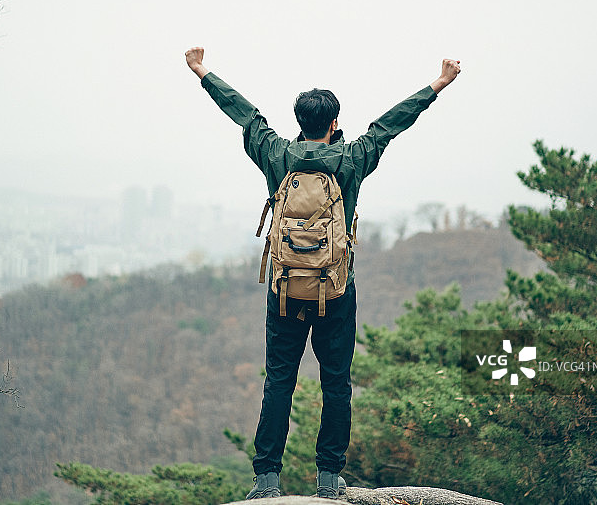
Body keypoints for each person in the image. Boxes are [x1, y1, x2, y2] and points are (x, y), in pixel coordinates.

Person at [184, 47, 461, 500]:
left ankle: (267, 478)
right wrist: (439, 84)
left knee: (279, 381)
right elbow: (390, 124)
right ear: (334, 123)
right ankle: (329, 478)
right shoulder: (351, 159)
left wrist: (201, 71)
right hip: (336, 291)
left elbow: (245, 115)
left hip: (285, 291)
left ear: (299, 122)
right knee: (336, 383)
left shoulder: (276, 156)